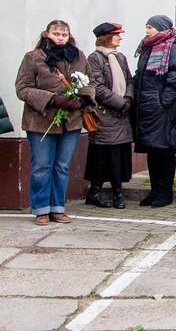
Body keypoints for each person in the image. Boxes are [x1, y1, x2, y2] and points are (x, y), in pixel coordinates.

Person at [15, 20, 93, 226]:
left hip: (71, 121)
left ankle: (58, 208)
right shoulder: (33, 58)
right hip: (41, 121)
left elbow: (90, 82)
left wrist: (83, 99)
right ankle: (41, 209)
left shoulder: (78, 56)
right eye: (56, 33)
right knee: (42, 166)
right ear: (47, 34)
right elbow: (22, 88)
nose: (60, 37)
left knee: (62, 166)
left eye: (64, 34)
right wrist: (51, 99)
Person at [132, 15, 176, 209]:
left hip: (164, 108)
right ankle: (154, 190)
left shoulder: (172, 48)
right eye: (146, 26)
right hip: (148, 107)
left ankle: (165, 191)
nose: (147, 30)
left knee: (164, 150)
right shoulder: (147, 47)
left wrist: (163, 102)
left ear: (161, 28)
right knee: (152, 149)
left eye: (150, 27)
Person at [84, 22, 134, 209]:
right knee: (103, 155)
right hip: (106, 115)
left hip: (121, 115)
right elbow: (97, 86)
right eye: (117, 35)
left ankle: (118, 192)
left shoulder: (120, 57)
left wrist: (128, 98)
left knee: (119, 154)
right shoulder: (95, 58)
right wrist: (120, 103)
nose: (120, 38)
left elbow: (129, 79)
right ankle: (95, 191)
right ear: (106, 37)